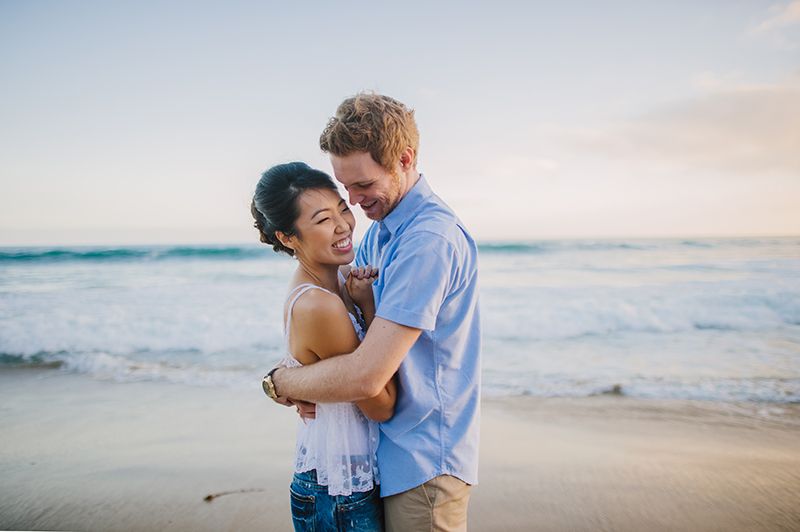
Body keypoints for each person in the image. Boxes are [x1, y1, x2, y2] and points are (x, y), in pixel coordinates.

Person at [263, 93, 482, 532]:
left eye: (362, 186)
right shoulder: (382, 233)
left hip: (423, 463)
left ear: (404, 159)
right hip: (385, 457)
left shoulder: (428, 241)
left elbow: (364, 376)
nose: (355, 203)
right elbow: (343, 328)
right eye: (345, 189)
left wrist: (281, 381)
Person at [252, 161, 397, 532]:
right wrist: (368, 306)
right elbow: (380, 403)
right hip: (339, 494)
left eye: (343, 209)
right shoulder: (321, 305)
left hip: (348, 480)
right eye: (321, 219)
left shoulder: (343, 277)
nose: (343, 225)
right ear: (287, 237)